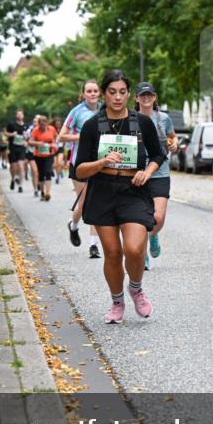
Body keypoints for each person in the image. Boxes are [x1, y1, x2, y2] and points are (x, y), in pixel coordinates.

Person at [74, 70, 166, 324]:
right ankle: (117, 302)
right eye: (112, 92)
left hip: (133, 191)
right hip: (102, 191)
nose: (117, 97)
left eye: (122, 92)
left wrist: (147, 172)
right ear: (104, 94)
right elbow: (79, 169)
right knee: (113, 253)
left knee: (134, 249)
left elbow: (158, 155)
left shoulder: (142, 122)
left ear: (129, 93)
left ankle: (135, 288)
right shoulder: (92, 126)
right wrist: (102, 161)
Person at [134, 82, 178, 271]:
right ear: (136, 98)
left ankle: (153, 236)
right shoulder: (130, 119)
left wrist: (174, 144)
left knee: (158, 218)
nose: (146, 98)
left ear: (154, 97)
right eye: (142, 95)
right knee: (141, 218)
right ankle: (142, 256)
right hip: (137, 174)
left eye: (149, 95)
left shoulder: (164, 118)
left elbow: (172, 137)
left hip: (160, 172)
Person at [60, 80, 103, 258]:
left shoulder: (105, 110)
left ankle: (93, 245)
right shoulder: (76, 111)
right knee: (85, 204)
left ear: (99, 93)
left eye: (95, 91)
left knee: (95, 204)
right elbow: (61, 136)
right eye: (89, 91)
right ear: (84, 94)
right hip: (79, 163)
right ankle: (74, 225)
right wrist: (82, 137)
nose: (92, 94)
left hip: (100, 163)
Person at [29, 115, 59, 201]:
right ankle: (42, 192)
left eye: (44, 124)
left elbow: (57, 137)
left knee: (48, 172)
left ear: (47, 123)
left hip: (49, 154)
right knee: (41, 174)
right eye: (41, 125)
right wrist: (38, 143)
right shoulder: (35, 131)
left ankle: (48, 193)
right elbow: (30, 142)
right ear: (38, 124)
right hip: (39, 155)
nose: (42, 126)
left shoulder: (51, 129)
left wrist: (55, 144)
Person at [6, 109, 28, 192]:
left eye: (21, 114)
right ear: (16, 116)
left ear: (23, 116)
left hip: (21, 148)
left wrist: (26, 141)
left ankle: (20, 186)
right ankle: (13, 179)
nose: (19, 116)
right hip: (13, 148)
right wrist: (12, 134)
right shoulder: (11, 125)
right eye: (18, 114)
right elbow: (6, 133)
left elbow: (28, 136)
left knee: (21, 166)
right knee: (13, 166)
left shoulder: (26, 126)